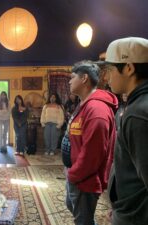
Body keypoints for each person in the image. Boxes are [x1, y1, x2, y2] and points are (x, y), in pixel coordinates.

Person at [62, 61, 118, 225]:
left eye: (72, 78)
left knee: (83, 220)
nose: (70, 81)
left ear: (84, 78)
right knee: (72, 206)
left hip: (84, 179)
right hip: (75, 173)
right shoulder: (84, 103)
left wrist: (73, 175)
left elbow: (92, 156)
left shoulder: (96, 110)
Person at [104, 37, 148, 225]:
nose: (106, 78)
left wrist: (128, 214)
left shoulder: (138, 113)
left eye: (110, 70)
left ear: (129, 68)